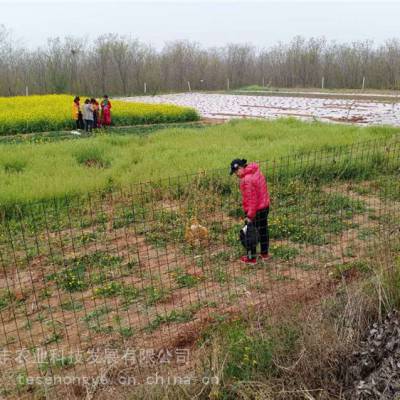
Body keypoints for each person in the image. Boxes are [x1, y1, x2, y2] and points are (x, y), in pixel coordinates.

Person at [230, 158, 270, 264]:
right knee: (263, 231)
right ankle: (264, 253)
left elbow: (252, 200)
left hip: (255, 210)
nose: (236, 175)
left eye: (235, 172)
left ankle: (251, 258)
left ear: (239, 168)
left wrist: (249, 216)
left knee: (249, 233)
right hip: (264, 206)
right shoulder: (256, 172)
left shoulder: (246, 180)